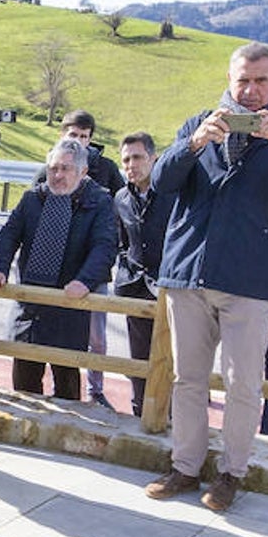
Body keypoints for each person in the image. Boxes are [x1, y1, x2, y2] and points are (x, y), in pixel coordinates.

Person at [144, 41, 268, 512]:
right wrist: (195, 142)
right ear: (228, 78)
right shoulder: (198, 123)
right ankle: (185, 466)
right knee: (188, 378)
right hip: (189, 272)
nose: (252, 90)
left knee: (243, 383)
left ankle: (231, 474)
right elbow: (160, 183)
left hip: (251, 279)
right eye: (243, 80)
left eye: (262, 80)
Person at [0, 139, 116, 401]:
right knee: (23, 387)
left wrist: (85, 281)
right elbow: (8, 236)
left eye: (66, 169)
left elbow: (104, 247)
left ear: (82, 172)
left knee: (66, 386)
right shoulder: (33, 197)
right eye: (53, 168)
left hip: (69, 303)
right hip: (30, 306)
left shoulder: (99, 201)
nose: (58, 175)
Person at [35, 109, 126, 409]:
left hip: (93, 269)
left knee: (96, 337)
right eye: (73, 135)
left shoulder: (107, 170)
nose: (79, 141)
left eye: (85, 136)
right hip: (53, 269)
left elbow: (120, 210)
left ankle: (95, 389)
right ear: (63, 134)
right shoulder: (49, 169)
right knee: (47, 332)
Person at [113, 132, 174, 418]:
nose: (131, 165)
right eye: (126, 159)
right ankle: (139, 414)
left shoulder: (174, 194)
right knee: (138, 360)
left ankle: (168, 417)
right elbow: (123, 243)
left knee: (169, 362)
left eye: (137, 157)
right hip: (134, 289)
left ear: (153, 157)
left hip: (170, 289)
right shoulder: (121, 198)